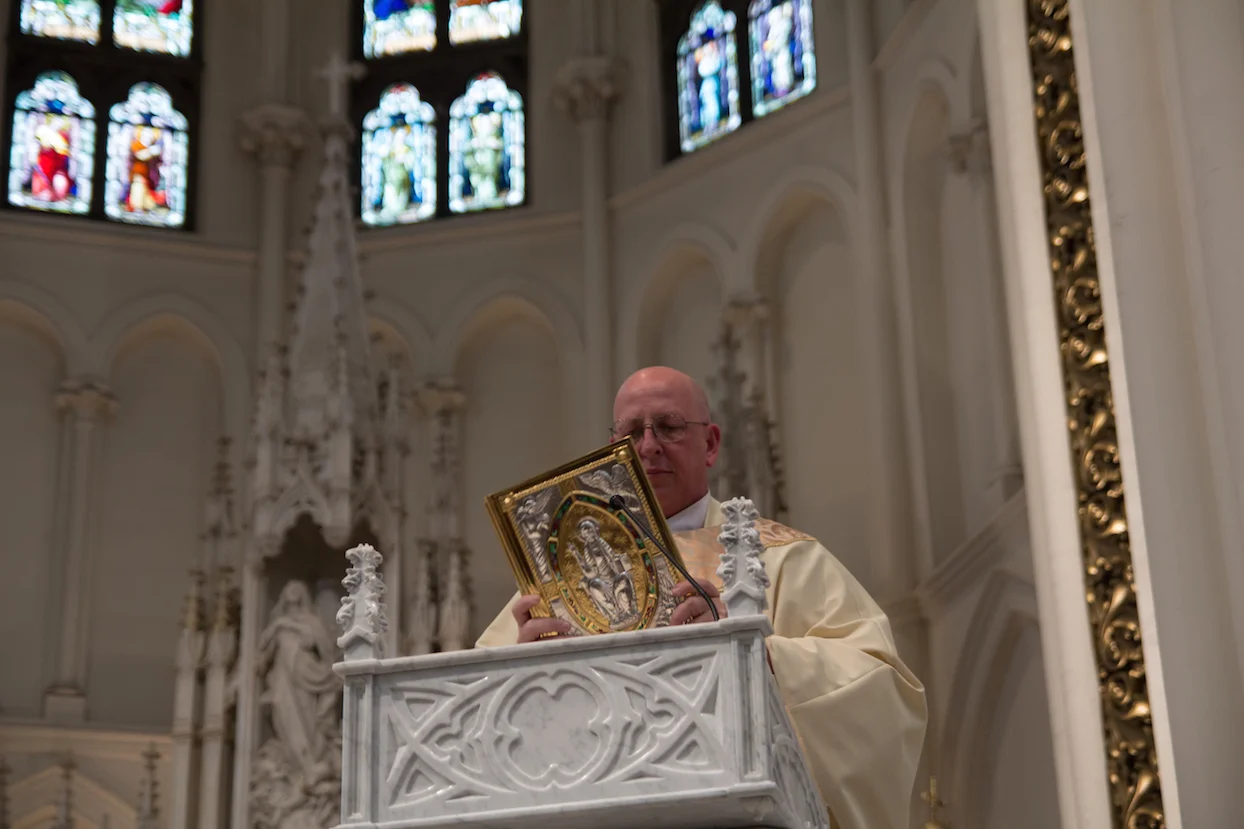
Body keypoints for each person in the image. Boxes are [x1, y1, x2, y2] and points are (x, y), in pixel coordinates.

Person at [475, 366, 928, 829]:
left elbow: (882, 682)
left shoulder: (781, 557)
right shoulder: (559, 579)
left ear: (710, 444)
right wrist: (519, 669)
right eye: (631, 433)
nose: (648, 446)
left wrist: (757, 654)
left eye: (668, 427)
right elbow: (466, 711)